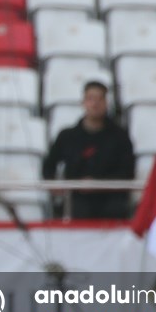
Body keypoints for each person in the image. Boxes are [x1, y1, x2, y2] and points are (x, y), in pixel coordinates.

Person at [42, 80, 135, 219]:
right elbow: (49, 166)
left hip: (111, 203)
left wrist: (98, 183)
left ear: (106, 103)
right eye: (90, 99)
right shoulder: (68, 136)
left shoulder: (120, 137)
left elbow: (128, 171)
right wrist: (55, 185)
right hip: (76, 202)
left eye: (100, 99)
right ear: (83, 102)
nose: (95, 104)